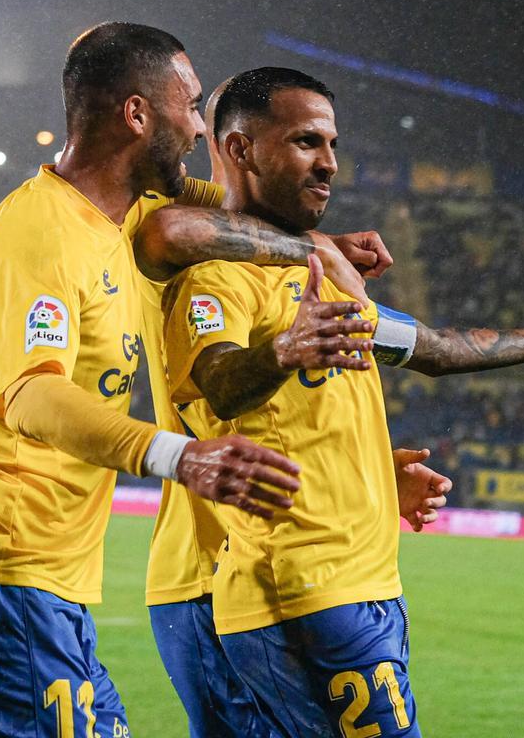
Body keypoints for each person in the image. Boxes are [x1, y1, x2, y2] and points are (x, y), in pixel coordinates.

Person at [0, 23, 384, 737]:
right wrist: (179, 456)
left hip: (40, 591)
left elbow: (217, 213)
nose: (197, 128)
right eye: (188, 106)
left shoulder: (129, 215)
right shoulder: (39, 234)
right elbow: (32, 393)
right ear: (136, 114)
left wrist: (320, 247)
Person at [160, 67, 524, 736]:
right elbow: (219, 381)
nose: (328, 163)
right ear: (239, 150)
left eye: (332, 143)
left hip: (363, 575)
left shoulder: (331, 273)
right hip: (305, 583)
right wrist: (283, 350)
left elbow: (434, 350)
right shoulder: (214, 277)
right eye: (305, 142)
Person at [138, 79, 451, 738]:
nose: (191, 126)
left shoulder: (263, 247)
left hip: (245, 564)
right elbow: (169, 233)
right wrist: (320, 248)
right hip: (208, 567)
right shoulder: (175, 226)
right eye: (186, 106)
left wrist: (368, 470)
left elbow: (432, 349)